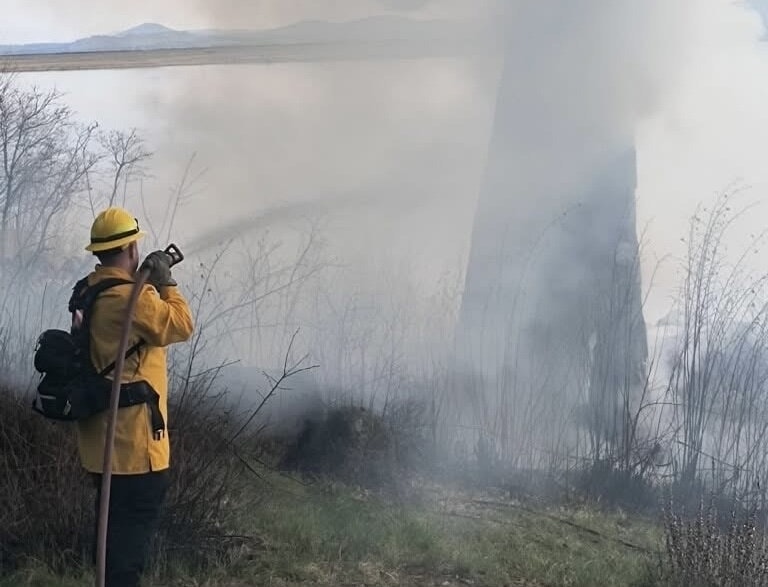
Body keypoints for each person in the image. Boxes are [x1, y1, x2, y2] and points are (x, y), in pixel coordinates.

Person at [73, 206, 194, 587]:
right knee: (128, 549)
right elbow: (181, 325)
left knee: (113, 538)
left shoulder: (88, 289)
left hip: (100, 445)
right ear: (130, 250)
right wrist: (167, 283)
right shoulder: (132, 298)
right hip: (133, 449)